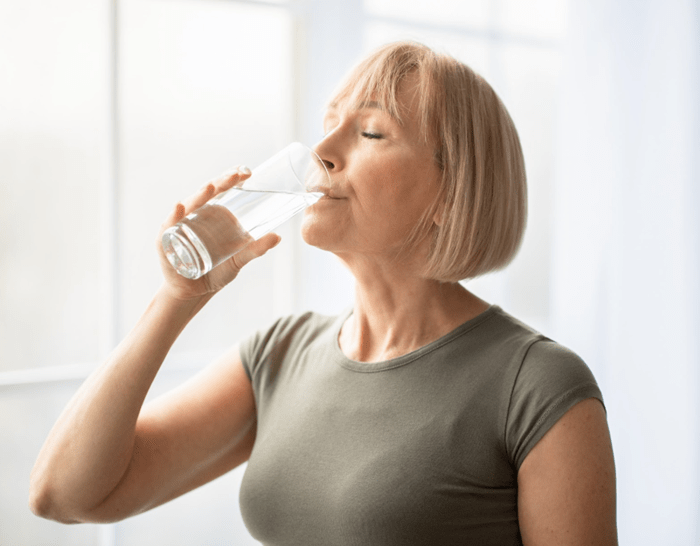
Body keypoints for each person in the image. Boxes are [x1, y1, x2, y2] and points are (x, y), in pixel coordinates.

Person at [30, 42, 618, 545]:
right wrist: (176, 299)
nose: (321, 154)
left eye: (370, 132)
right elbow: (66, 494)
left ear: (450, 192)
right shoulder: (280, 355)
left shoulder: (538, 385)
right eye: (329, 125)